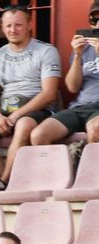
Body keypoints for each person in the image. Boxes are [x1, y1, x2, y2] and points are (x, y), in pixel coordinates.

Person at [0, 7, 60, 186]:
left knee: (23, 124)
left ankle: (5, 180)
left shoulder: (46, 51)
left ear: (30, 25)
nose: (12, 30)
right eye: (8, 25)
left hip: (35, 108)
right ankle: (4, 177)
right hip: (4, 109)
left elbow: (49, 94)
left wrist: (16, 115)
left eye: (18, 25)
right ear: (2, 27)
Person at [31, 12, 99, 150]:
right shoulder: (85, 48)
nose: (98, 24)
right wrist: (77, 56)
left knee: (95, 130)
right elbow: (72, 87)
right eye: (94, 20)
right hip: (80, 107)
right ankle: (65, 169)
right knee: (38, 135)